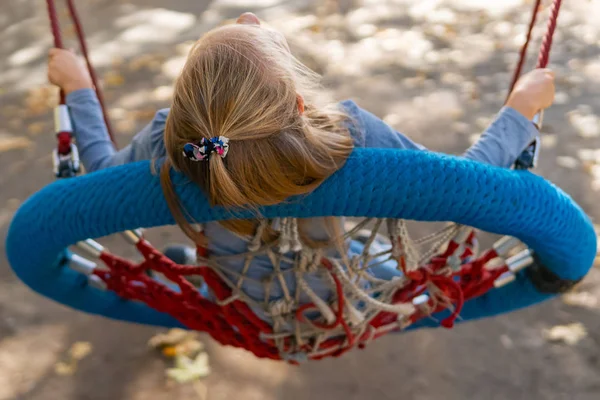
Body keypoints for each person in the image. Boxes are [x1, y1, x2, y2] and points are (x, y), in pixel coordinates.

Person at [47, 12, 555, 318]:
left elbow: (101, 178)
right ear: (298, 104)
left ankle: (201, 255)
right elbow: (467, 187)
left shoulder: (173, 141)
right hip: (347, 295)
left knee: (195, 249)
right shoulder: (350, 132)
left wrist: (78, 88)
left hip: (239, 300)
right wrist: (520, 111)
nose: (250, 19)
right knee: (378, 251)